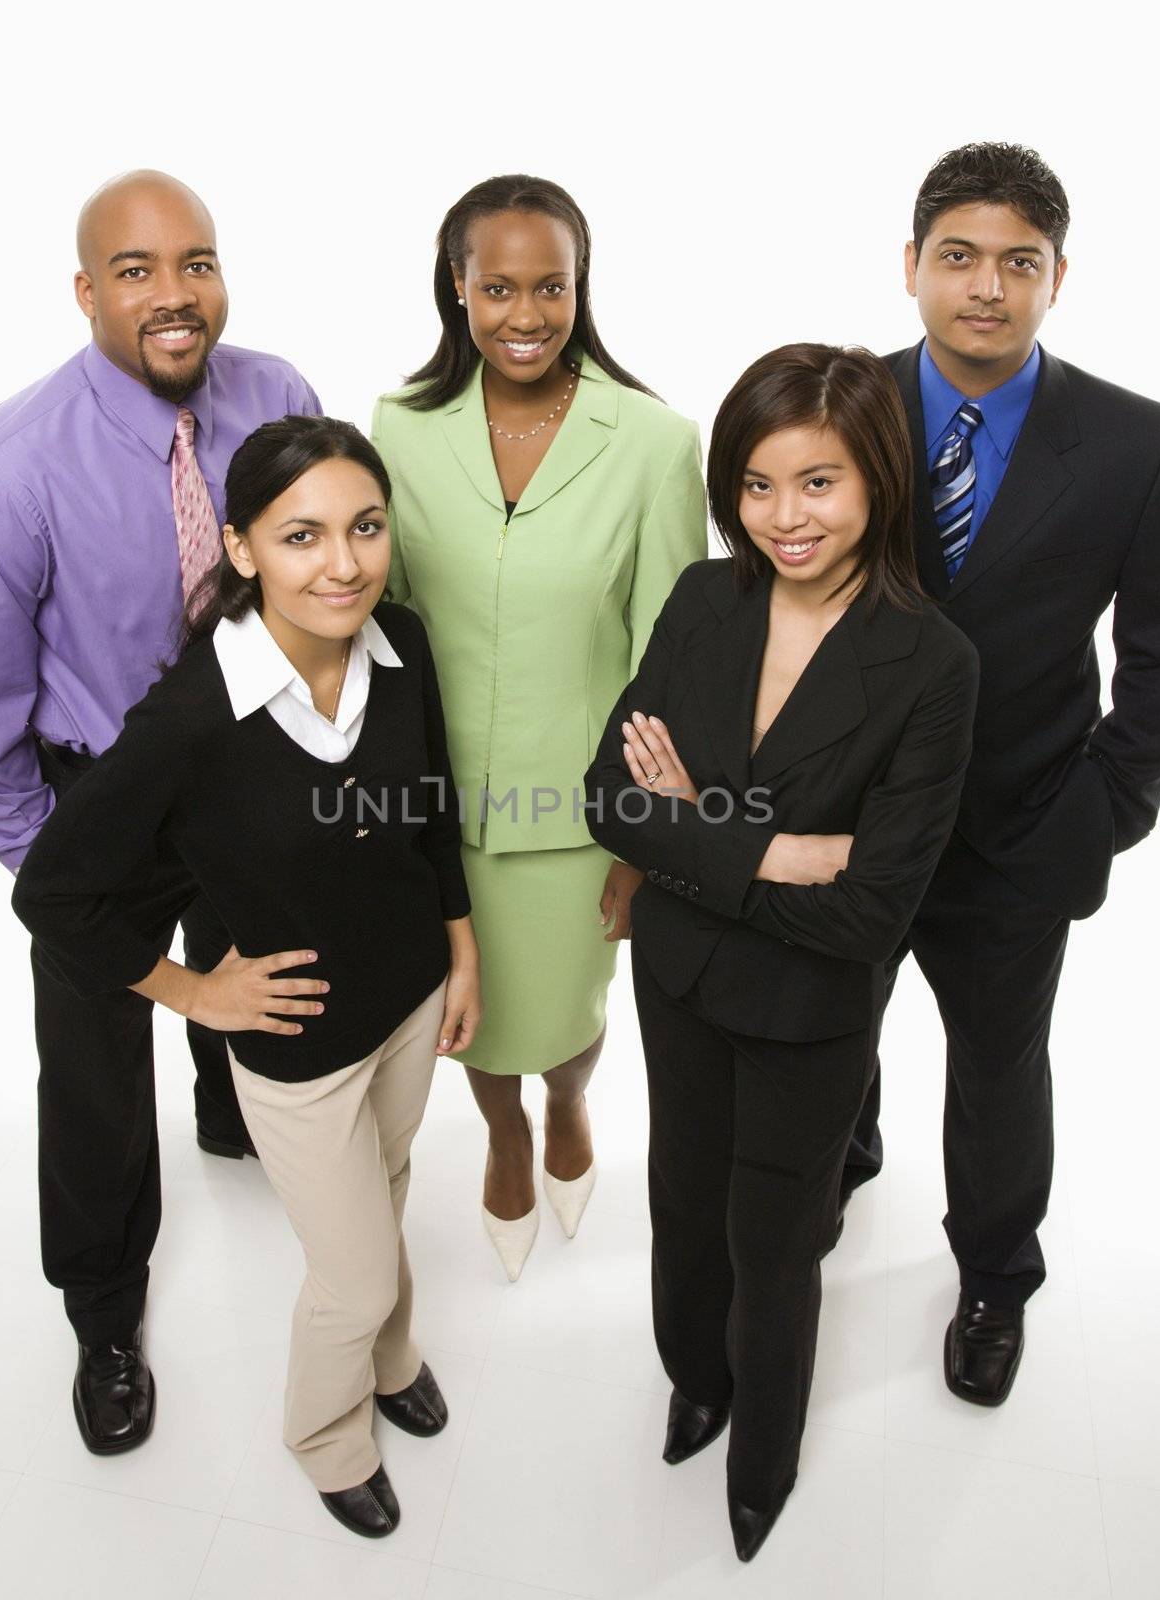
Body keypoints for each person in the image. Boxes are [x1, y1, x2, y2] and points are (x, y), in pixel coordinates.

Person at [11, 416, 480, 1540]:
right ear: (240, 548)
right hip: (300, 1047)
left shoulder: (400, 641)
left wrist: (460, 947)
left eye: (365, 527)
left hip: (411, 998)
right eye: (302, 535)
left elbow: (431, 806)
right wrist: (195, 994)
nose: (344, 563)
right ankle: (326, 1433)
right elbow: (54, 893)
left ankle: (389, 1356)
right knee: (353, 1269)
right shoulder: (189, 721)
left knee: (389, 1192)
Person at [0, 170, 322, 1454]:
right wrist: (60, 878)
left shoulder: (276, 395)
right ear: (85, 291)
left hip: (250, 747)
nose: (173, 293)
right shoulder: (7, 470)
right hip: (101, 786)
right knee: (93, 1051)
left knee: (251, 951)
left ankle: (225, 1101)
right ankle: (102, 1308)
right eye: (135, 270)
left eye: (194, 262)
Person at [840, 142, 1160, 1405]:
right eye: (958, 257)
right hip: (842, 825)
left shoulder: (1128, 441)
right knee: (830, 1029)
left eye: (1019, 262)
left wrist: (1102, 810)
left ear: (1060, 277)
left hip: (1019, 831)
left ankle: (996, 1273)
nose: (986, 288)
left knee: (999, 1072)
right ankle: (843, 1157)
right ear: (910, 269)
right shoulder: (839, 410)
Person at [584, 344, 979, 1561]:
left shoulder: (931, 663)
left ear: (878, 482)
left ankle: (765, 1449)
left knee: (776, 1228)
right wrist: (772, 846)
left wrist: (695, 833)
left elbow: (869, 911)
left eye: (817, 484)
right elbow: (609, 799)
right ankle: (692, 1376)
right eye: (756, 485)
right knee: (680, 1199)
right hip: (682, 979)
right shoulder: (707, 601)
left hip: (812, 1004)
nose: (783, 517)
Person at [371, 174, 707, 1280]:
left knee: (565, 1018)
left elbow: (674, 655)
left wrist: (645, 845)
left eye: (550, 286)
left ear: (580, 288)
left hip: (580, 816)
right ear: (456, 287)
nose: (526, 314)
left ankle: (564, 1108)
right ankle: (505, 1131)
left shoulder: (654, 443)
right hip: (446, 810)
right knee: (478, 1018)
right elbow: (391, 630)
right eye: (499, 286)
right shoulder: (401, 430)